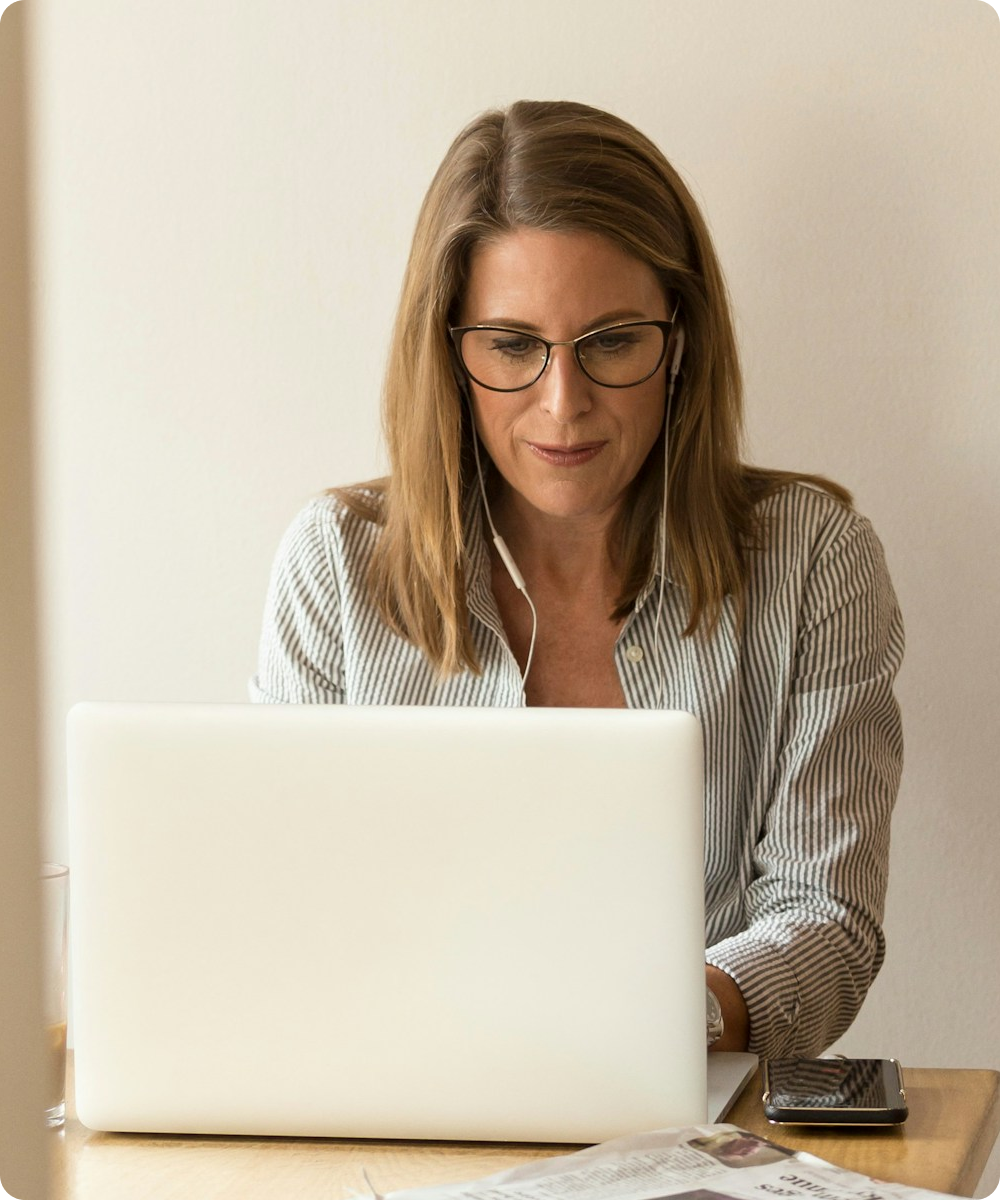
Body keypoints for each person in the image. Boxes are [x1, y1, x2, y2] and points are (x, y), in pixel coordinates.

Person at [251, 99, 904, 1059]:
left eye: (611, 342)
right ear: (450, 353)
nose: (564, 405)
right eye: (513, 346)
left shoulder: (813, 560)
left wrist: (646, 1026)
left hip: (693, 1126)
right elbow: (284, 912)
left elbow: (828, 922)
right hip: (399, 1107)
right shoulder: (335, 566)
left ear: (679, 340)